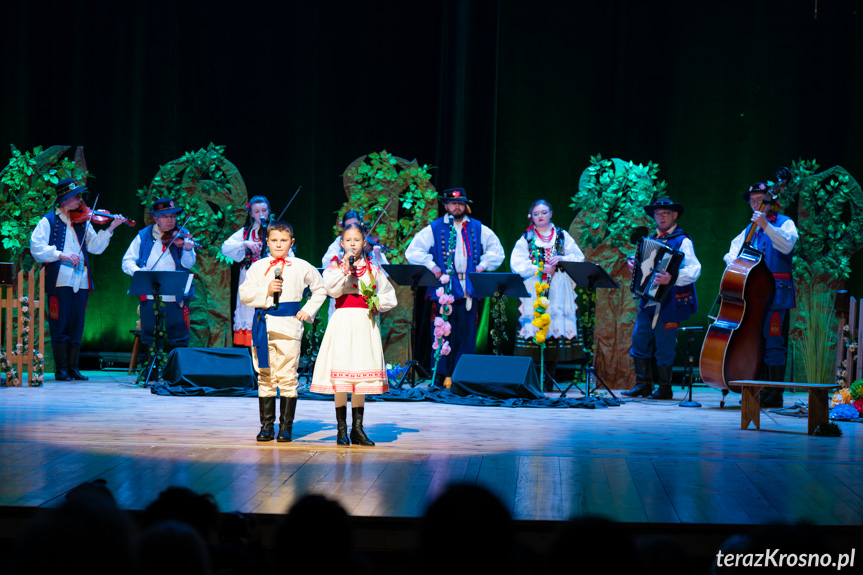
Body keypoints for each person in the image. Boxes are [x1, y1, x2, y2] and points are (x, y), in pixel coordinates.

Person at [30, 178, 128, 381]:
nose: (80, 200)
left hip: (81, 280)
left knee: (77, 324)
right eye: (76, 197)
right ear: (64, 199)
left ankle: (73, 368)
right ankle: (61, 369)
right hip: (60, 279)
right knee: (60, 324)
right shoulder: (49, 221)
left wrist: (111, 228)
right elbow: (36, 247)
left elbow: (94, 248)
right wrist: (61, 255)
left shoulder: (82, 221)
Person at [405, 188, 505, 383]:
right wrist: (432, 266)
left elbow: (497, 251)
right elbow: (413, 251)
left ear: (465, 205)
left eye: (460, 203)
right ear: (446, 205)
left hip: (468, 287)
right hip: (444, 287)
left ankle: (463, 377)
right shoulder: (434, 228)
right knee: (442, 331)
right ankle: (440, 376)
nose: (457, 207)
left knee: (466, 333)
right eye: (453, 204)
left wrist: (482, 266)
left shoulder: (477, 227)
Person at [239, 221, 326, 442]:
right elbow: (245, 294)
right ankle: (267, 426)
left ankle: (286, 427)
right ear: (267, 242)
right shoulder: (259, 267)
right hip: (264, 326)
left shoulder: (301, 266)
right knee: (265, 375)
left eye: (284, 241)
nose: (279, 245)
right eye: (274, 240)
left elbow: (320, 288)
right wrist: (266, 291)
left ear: (292, 242)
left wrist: (307, 310)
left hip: (288, 327)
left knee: (287, 376)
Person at [311, 224, 397, 446]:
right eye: (348, 240)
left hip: (364, 323)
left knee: (360, 377)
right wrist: (344, 268)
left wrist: (376, 302)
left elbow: (390, 296)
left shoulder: (373, 269)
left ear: (364, 243)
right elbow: (330, 289)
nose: (352, 244)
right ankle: (342, 430)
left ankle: (357, 429)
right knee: (342, 377)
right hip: (342, 322)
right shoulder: (334, 269)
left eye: (357, 240)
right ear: (342, 244)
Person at [723, 179, 798, 407]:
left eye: (760, 200)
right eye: (753, 201)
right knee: (757, 342)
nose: (756, 204)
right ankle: (760, 389)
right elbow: (731, 253)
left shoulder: (785, 223)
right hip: (754, 296)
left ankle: (775, 394)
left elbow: (787, 245)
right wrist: (734, 264)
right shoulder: (749, 229)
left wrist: (766, 226)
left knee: (774, 342)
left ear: (771, 201)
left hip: (776, 295)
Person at [623, 198, 701, 400]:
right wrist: (635, 266)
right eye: (658, 214)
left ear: (674, 215)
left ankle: (665, 387)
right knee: (639, 340)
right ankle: (643, 385)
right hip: (648, 300)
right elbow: (645, 267)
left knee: (665, 345)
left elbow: (694, 269)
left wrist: (672, 278)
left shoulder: (682, 240)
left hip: (670, 300)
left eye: (666, 213)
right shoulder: (651, 239)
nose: (662, 217)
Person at [510, 200, 585, 388]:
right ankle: (534, 379)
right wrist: (538, 268)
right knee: (536, 327)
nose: (540, 216)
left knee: (554, 329)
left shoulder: (562, 236)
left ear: (551, 213)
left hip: (559, 288)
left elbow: (579, 258)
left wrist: (563, 259)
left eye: (544, 212)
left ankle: (550, 378)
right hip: (535, 286)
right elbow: (516, 264)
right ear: (531, 216)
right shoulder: (526, 237)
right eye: (536, 214)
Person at [121, 198, 196, 349]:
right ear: (155, 218)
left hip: (176, 297)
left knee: (179, 338)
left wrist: (188, 249)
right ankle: (151, 371)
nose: (170, 220)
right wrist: (139, 272)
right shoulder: (143, 235)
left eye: (173, 216)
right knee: (150, 338)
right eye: (165, 216)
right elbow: (126, 261)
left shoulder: (183, 235)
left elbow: (188, 264)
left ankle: (176, 371)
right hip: (149, 296)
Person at [221, 196, 294, 346]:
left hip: (270, 278)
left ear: (268, 211)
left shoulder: (276, 231)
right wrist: (244, 243)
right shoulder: (245, 232)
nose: (261, 214)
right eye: (256, 211)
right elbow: (225, 248)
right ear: (251, 214)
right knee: (249, 314)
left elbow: (291, 255)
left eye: (264, 210)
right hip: (249, 278)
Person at [321, 209, 389, 317]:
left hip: (365, 298)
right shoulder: (339, 242)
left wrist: (377, 255)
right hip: (342, 298)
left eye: (356, 225)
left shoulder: (366, 243)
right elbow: (326, 263)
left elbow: (384, 273)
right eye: (348, 226)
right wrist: (341, 256)